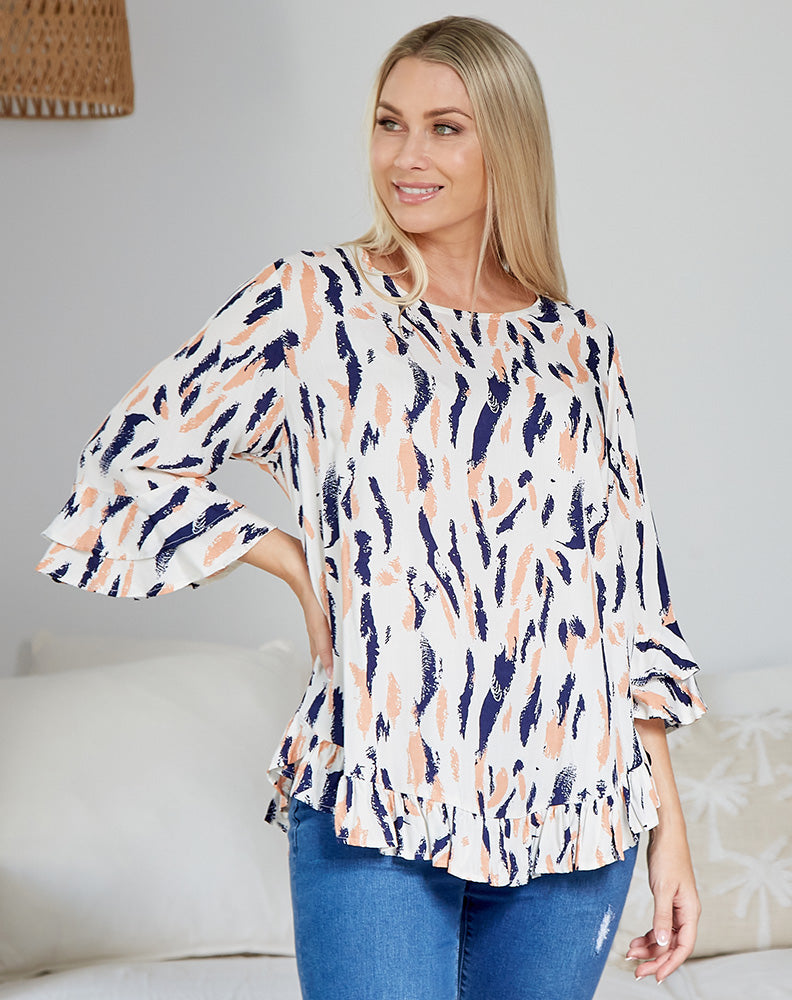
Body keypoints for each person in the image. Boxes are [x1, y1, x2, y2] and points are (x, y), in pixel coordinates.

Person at [37, 15, 707, 1000]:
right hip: (380, 786)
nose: (406, 156)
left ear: (508, 144)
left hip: (576, 803)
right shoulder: (311, 302)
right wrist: (287, 557)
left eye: (445, 128)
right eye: (391, 123)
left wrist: (669, 831)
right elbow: (128, 460)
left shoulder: (580, 347)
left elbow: (629, 597)